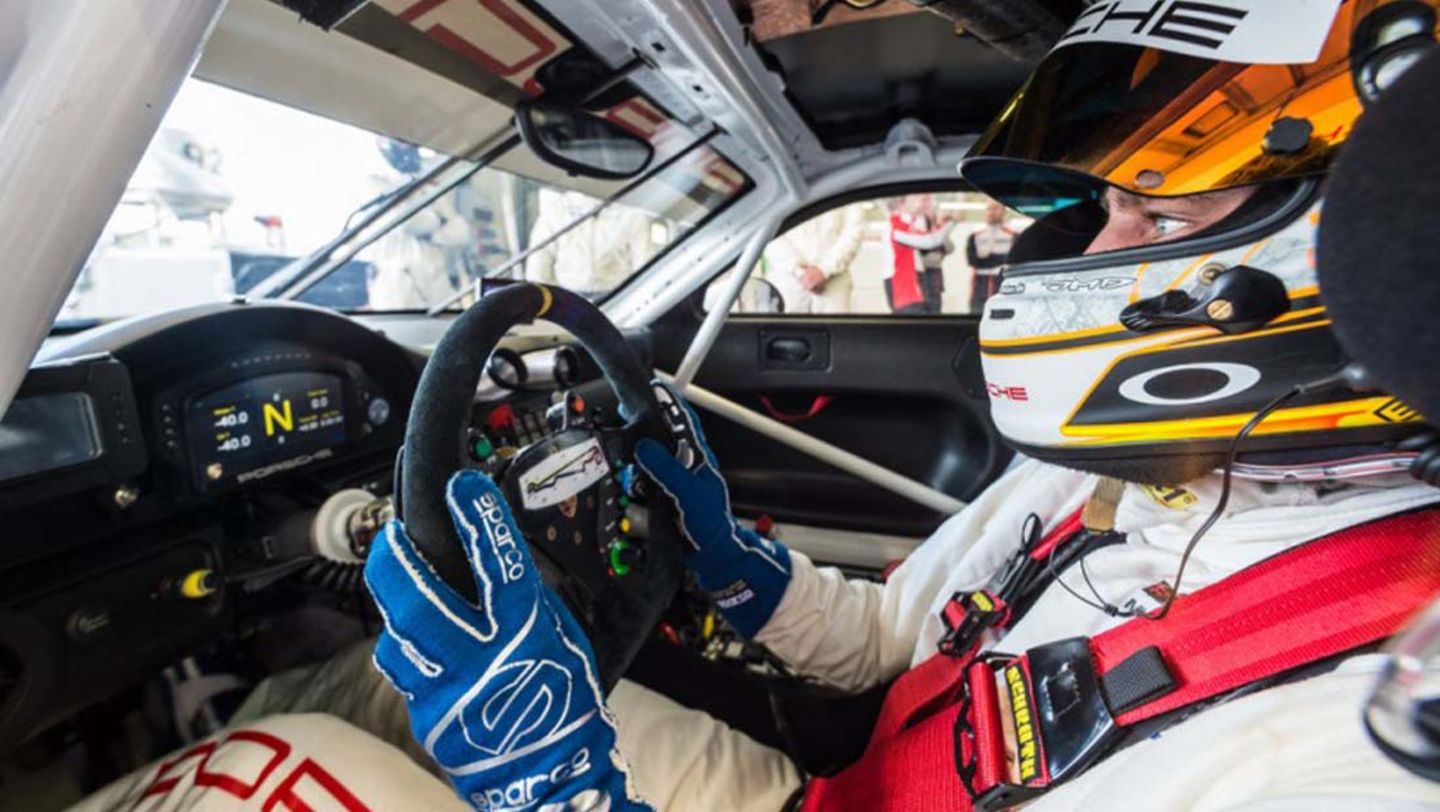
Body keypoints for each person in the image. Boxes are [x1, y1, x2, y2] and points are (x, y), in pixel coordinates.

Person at [77, 2, 1440, 810]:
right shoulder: (1161, 466)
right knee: (367, 679)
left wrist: (561, 792)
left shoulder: (1367, 748)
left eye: (1158, 210)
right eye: (1101, 208)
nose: (1085, 256)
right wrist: (738, 566)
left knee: (284, 757)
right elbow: (893, 652)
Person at [523, 188, 656, 299]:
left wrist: (635, 299)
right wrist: (545, 301)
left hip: (615, 296)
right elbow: (539, 262)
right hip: (567, 296)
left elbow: (644, 265)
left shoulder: (632, 214)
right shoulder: (556, 211)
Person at [762, 204, 865, 314]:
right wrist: (799, 271)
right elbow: (768, 232)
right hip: (786, 283)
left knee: (834, 329)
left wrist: (825, 270)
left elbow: (854, 230)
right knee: (785, 329)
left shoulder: (845, 188)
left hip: (833, 284)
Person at [885, 194, 953, 315]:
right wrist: (951, 223)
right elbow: (930, 241)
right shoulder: (896, 222)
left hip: (916, 283)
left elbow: (937, 242)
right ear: (902, 203)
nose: (922, 202)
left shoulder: (909, 223)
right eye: (917, 198)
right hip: (904, 286)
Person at [963, 200, 1014, 312]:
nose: (992, 212)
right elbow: (972, 260)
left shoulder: (1013, 234)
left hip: (1003, 281)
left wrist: (988, 258)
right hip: (980, 282)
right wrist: (999, 258)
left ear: (1003, 211)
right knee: (976, 314)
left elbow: (1013, 260)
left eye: (995, 208)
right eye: (989, 208)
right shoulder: (975, 235)